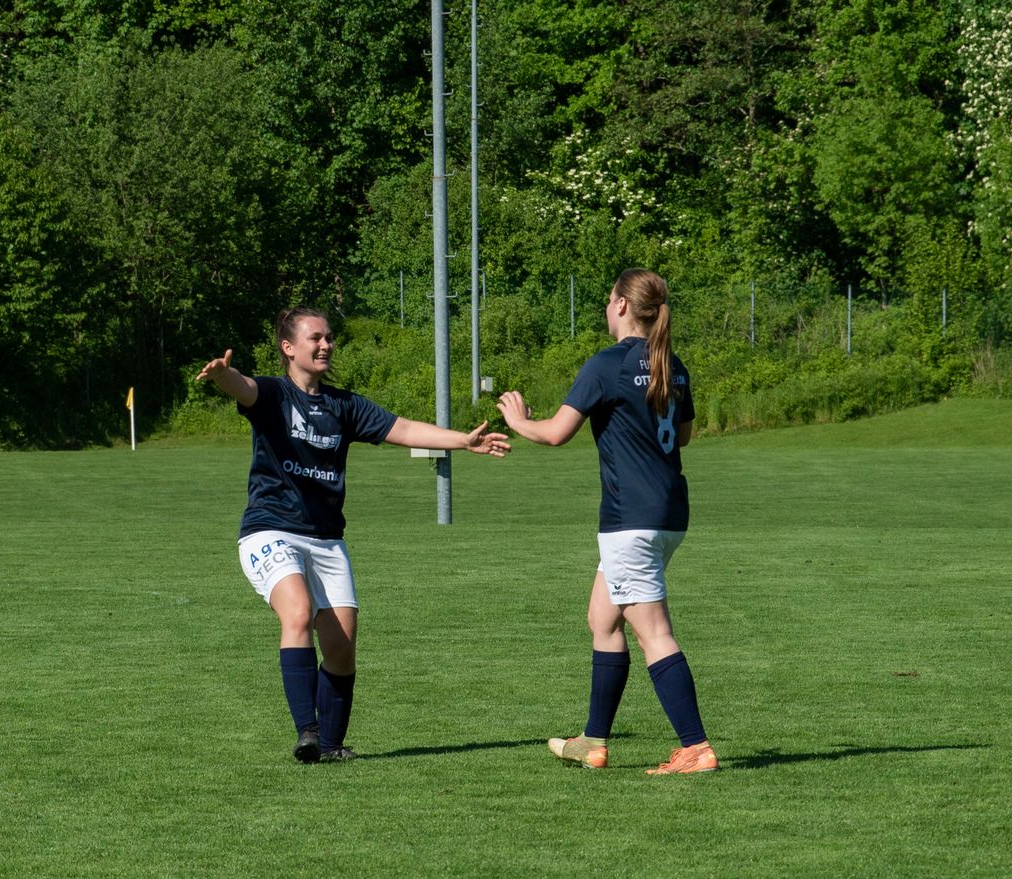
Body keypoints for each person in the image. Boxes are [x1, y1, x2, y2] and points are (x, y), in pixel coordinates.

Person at [198, 307, 510, 762]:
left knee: (341, 647)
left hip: (326, 538)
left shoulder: (344, 405)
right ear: (288, 347)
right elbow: (244, 388)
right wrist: (223, 375)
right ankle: (307, 732)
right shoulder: (273, 394)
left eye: (329, 337)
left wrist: (462, 441)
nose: (326, 344)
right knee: (297, 612)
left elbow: (403, 429)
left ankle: (330, 745)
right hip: (271, 529)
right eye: (315, 338)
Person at [496, 269, 718, 775]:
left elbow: (557, 433)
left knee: (654, 633)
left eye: (608, 299)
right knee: (603, 619)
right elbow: (683, 436)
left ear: (621, 305)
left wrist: (517, 420)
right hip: (668, 513)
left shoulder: (607, 365)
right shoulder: (671, 363)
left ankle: (696, 747)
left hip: (630, 519)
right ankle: (593, 742)